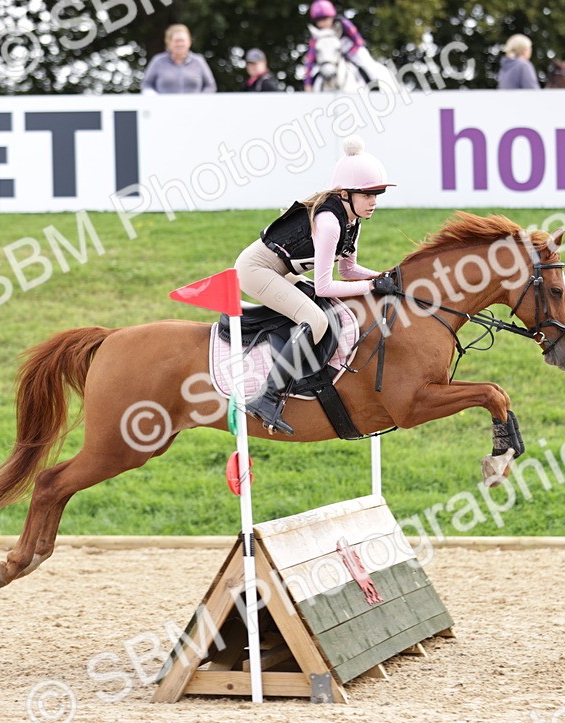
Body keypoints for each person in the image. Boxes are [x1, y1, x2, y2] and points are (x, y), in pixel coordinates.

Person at [236, 136, 396, 435]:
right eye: (368, 195)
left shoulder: (351, 220)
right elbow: (324, 286)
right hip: (257, 270)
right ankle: (266, 396)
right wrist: (372, 288)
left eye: (377, 195)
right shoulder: (330, 222)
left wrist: (384, 276)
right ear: (345, 194)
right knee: (315, 319)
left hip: (281, 270)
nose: (374, 202)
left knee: (330, 310)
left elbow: (348, 271)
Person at [303, 0, 379, 91]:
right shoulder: (317, 36)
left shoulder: (343, 24)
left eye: (325, 18)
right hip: (330, 58)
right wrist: (307, 82)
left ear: (332, 16)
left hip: (352, 51)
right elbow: (310, 59)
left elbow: (359, 41)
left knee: (367, 65)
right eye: (319, 20)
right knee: (316, 71)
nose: (323, 23)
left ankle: (375, 89)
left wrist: (348, 53)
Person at [141, 24, 216, 94]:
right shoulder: (158, 61)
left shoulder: (199, 61)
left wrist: (202, 99)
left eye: (182, 41)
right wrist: (152, 96)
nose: (180, 44)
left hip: (194, 107)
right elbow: (146, 84)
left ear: (189, 42)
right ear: (168, 42)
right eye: (176, 41)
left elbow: (210, 86)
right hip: (164, 106)